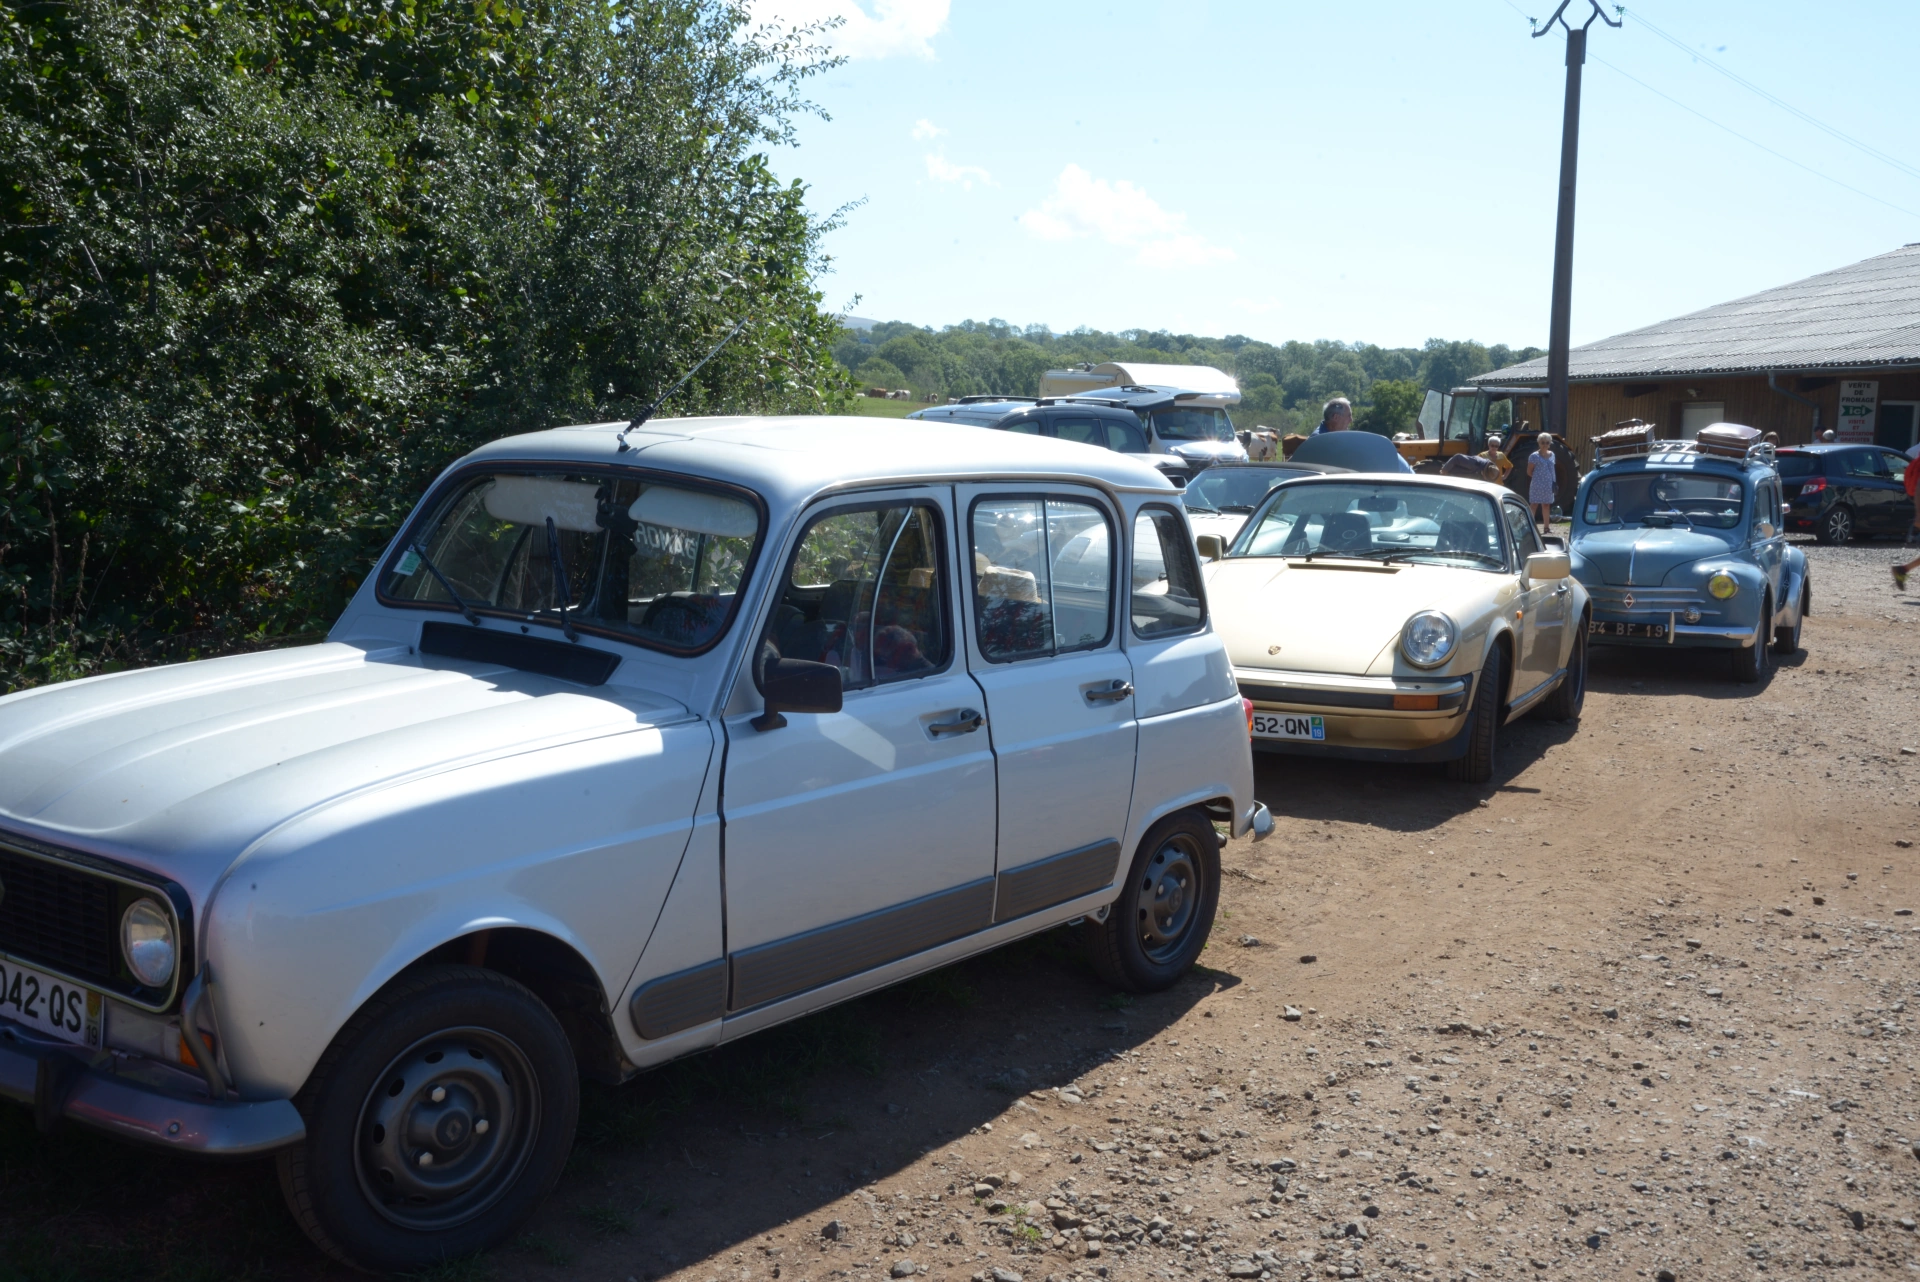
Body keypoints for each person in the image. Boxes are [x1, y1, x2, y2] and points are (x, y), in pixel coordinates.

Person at [1528, 432, 1558, 532]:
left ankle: (1546, 527)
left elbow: (1552, 469)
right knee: (1534, 504)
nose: (1545, 444)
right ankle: (1530, 527)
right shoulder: (1534, 456)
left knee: (1546, 505)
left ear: (1550, 443)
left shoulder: (1552, 454)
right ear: (1539, 443)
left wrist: (1553, 481)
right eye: (1542, 442)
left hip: (1549, 484)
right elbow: (1529, 471)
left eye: (1547, 442)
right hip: (1537, 484)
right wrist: (1538, 479)